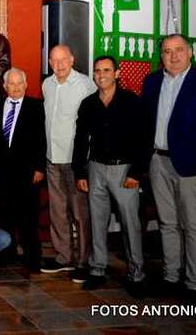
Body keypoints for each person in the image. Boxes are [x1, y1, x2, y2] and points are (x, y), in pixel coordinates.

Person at [141, 34, 196, 300]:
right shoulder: (152, 81)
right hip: (158, 161)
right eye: (167, 51)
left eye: (179, 50)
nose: (173, 56)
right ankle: (171, 275)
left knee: (193, 225)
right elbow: (146, 120)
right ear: (161, 56)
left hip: (190, 165)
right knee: (167, 222)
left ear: (190, 53)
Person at [73, 56, 146, 296]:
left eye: (106, 70)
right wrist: (80, 171)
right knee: (97, 220)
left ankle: (137, 274)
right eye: (97, 71)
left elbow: (142, 139)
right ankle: (97, 269)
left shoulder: (132, 102)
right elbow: (81, 139)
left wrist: (136, 172)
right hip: (95, 168)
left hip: (124, 170)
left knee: (130, 224)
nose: (101, 74)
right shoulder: (88, 104)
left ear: (117, 73)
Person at [41, 45, 96, 283]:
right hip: (52, 157)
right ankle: (64, 257)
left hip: (75, 161)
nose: (59, 65)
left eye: (63, 60)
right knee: (58, 212)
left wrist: (85, 161)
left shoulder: (85, 85)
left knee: (80, 213)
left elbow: (92, 125)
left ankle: (83, 262)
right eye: (54, 61)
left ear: (72, 59)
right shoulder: (47, 85)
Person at [0, 68, 46, 272]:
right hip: (2, 171)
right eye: (11, 83)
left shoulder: (37, 107)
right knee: (4, 215)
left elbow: (41, 139)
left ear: (26, 84)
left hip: (28, 172)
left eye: (20, 83)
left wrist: (39, 167)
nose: (16, 87)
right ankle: (6, 255)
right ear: (4, 86)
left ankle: (32, 259)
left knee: (28, 217)